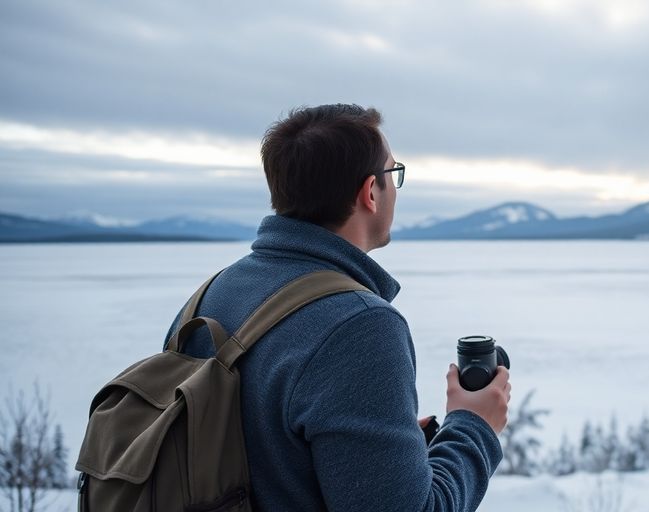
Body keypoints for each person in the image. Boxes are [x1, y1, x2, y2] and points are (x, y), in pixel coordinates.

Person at [163, 104, 510, 511]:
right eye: (393, 173)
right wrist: (474, 426)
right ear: (370, 193)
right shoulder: (359, 326)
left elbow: (262, 455)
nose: (395, 187)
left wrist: (376, 452)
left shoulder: (211, 295)